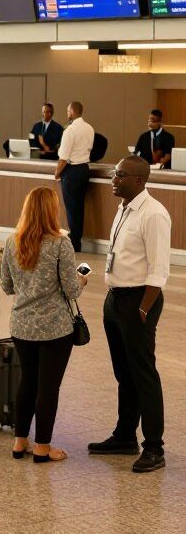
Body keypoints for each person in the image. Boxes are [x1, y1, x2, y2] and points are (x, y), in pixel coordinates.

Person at [88, 156, 171, 474]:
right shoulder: (125, 207)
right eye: (114, 173)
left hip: (139, 301)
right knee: (124, 374)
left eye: (120, 175)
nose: (113, 179)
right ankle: (125, 436)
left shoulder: (154, 214)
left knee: (144, 374)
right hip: (116, 299)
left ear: (139, 180)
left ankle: (154, 447)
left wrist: (141, 310)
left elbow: (158, 270)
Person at [1, 186, 86, 463]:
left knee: (27, 381)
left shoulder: (13, 241)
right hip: (55, 328)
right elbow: (71, 290)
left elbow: (7, 285)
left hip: (22, 326)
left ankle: (19, 441)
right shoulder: (61, 243)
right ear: (52, 210)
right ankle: (42, 447)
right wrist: (81, 279)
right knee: (48, 387)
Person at [54, 101, 95, 253]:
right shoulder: (89, 128)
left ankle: (74, 243)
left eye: (67, 111)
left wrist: (57, 173)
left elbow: (63, 157)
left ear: (72, 111)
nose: (67, 114)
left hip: (71, 171)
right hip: (84, 169)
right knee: (79, 208)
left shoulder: (70, 130)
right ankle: (77, 241)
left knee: (72, 209)